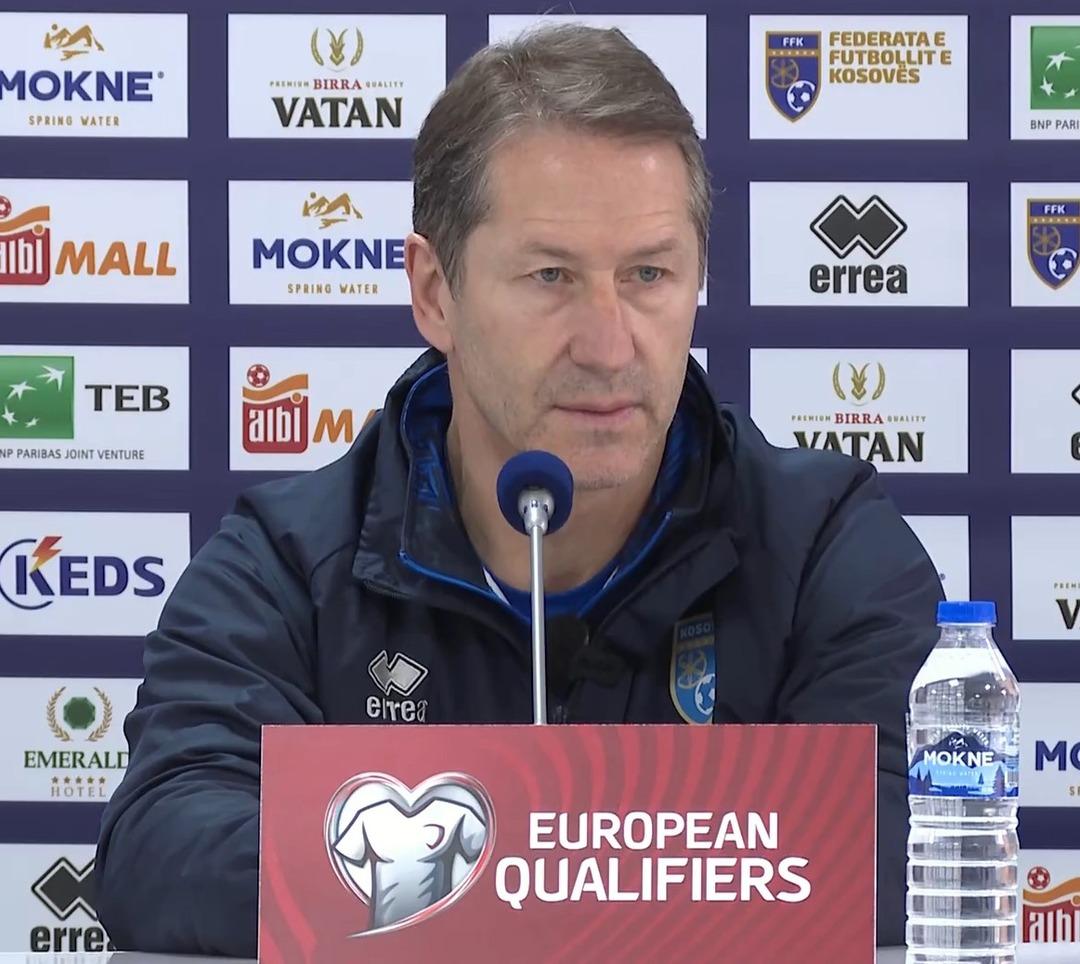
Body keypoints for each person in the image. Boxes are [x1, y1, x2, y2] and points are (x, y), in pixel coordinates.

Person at [95, 23, 941, 956]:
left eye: (649, 274)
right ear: (435, 293)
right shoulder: (291, 564)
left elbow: (908, 846)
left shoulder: (821, 543)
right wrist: (574, 869)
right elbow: (164, 849)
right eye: (550, 277)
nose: (610, 345)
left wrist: (479, 873)